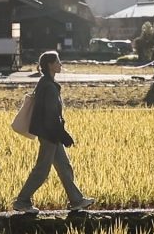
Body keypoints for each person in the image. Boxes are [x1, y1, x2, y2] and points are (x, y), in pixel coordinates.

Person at [12, 50, 95, 213]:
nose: (60, 64)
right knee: (42, 169)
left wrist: (60, 133)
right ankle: (22, 201)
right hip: (49, 133)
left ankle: (76, 200)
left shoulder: (46, 82)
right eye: (58, 61)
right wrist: (62, 134)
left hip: (51, 132)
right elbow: (50, 114)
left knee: (64, 166)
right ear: (50, 65)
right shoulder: (49, 86)